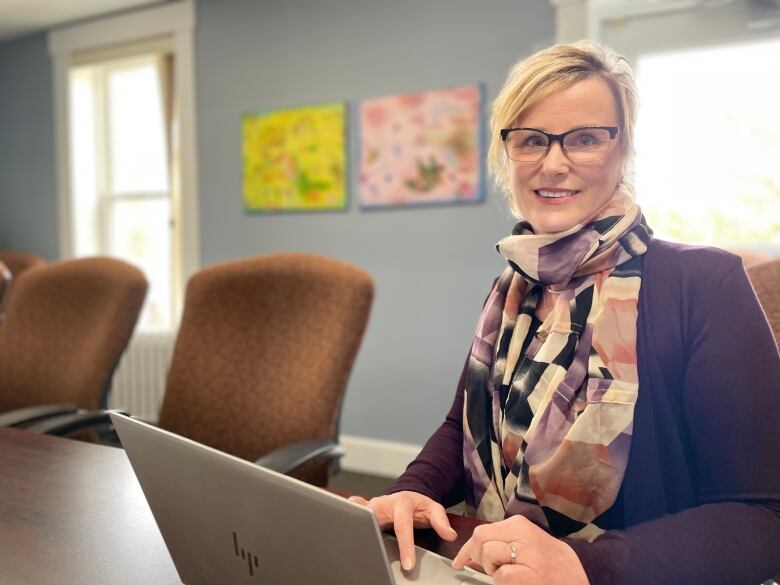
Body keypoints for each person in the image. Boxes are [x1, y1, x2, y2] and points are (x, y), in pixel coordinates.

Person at [350, 40, 780, 585]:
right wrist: (411, 491)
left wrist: (585, 564)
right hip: (491, 569)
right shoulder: (512, 286)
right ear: (508, 156)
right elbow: (462, 425)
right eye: (532, 140)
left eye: (584, 139)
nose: (554, 164)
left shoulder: (704, 285)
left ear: (622, 150)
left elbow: (764, 518)